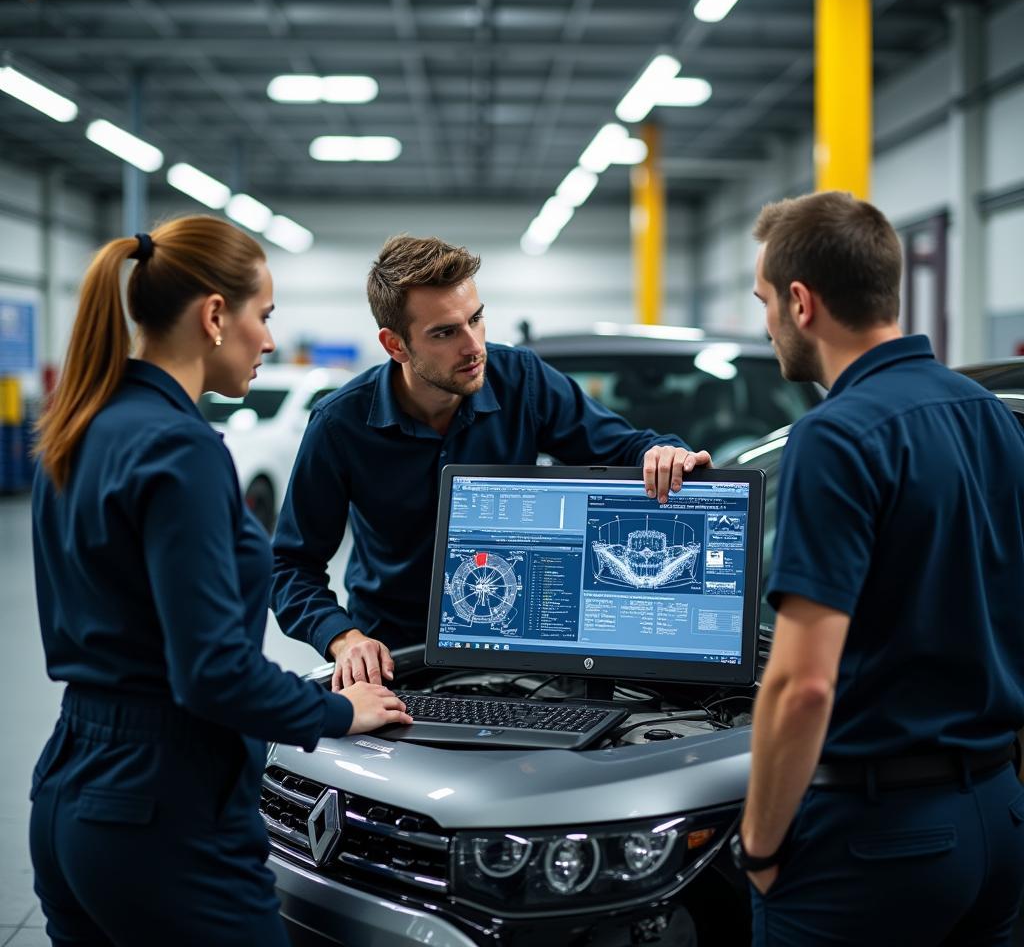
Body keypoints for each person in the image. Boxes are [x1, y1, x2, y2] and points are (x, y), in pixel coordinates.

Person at [29, 217, 412, 947]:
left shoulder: (78, 426)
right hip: (163, 812)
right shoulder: (183, 450)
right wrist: (335, 709)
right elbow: (212, 674)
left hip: (70, 791)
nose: (269, 340)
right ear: (213, 316)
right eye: (262, 316)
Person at [732, 191, 1024, 945]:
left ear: (801, 302)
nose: (766, 324)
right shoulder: (984, 412)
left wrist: (760, 848)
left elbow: (802, 685)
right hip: (997, 818)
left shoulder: (834, 438)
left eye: (764, 301)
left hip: (875, 845)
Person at [272, 234, 710, 690]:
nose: (473, 345)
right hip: (399, 662)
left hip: (523, 654)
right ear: (395, 345)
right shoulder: (340, 425)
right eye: (445, 332)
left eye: (476, 319)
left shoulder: (523, 380)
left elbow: (624, 448)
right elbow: (290, 566)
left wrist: (662, 453)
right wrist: (344, 639)